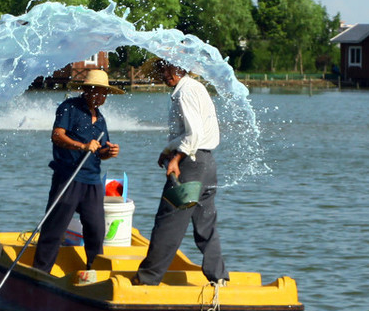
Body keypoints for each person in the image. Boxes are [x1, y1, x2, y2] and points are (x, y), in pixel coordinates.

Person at [134, 60, 228, 286]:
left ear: (182, 69)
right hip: (207, 163)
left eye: (170, 69)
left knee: (169, 220)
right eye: (163, 70)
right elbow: (191, 133)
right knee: (205, 223)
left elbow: (193, 134)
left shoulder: (184, 92)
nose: (166, 74)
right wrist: (167, 150)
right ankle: (219, 278)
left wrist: (176, 158)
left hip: (191, 165)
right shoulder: (196, 88)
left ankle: (147, 279)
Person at [31, 68, 122, 283]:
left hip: (92, 181)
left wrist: (109, 152)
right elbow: (57, 136)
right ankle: (40, 273)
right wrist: (81, 146)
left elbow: (99, 150)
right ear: (86, 90)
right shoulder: (69, 108)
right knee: (55, 228)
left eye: (103, 93)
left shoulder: (100, 120)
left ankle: (94, 274)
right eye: (96, 91)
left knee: (96, 230)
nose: (99, 96)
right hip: (68, 177)